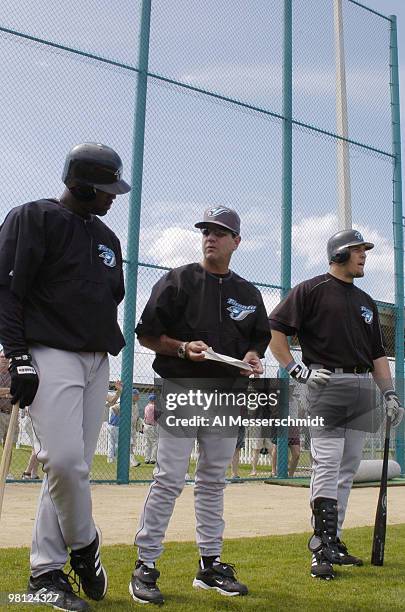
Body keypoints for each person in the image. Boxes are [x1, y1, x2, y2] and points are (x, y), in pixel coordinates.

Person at [0, 142, 130, 610]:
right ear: (81, 184)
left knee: (67, 471)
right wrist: (17, 357)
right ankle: (86, 546)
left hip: (97, 358)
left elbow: (107, 299)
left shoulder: (108, 239)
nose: (113, 196)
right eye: (106, 188)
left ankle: (45, 575)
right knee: (64, 462)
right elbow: (8, 293)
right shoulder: (31, 217)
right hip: (50, 351)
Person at [130, 206, 270, 604]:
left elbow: (255, 340)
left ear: (237, 242)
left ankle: (210, 566)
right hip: (181, 387)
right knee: (170, 478)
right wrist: (180, 347)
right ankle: (146, 564)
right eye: (207, 230)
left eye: (221, 232)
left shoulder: (248, 292)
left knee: (212, 481)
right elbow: (148, 335)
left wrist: (253, 356)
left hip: (226, 395)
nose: (211, 237)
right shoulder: (178, 280)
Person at [268, 229, 404, 580]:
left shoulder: (366, 301)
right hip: (325, 383)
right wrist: (296, 369)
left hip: (362, 386)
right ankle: (320, 545)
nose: (364, 257)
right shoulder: (311, 290)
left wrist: (388, 392)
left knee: (348, 468)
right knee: (327, 465)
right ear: (340, 254)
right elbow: (275, 330)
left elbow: (376, 354)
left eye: (364, 251)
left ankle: (335, 540)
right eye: (358, 251)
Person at [0, 350, 18, 478]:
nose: (4, 360)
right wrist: (9, 392)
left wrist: (5, 392)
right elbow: (13, 392)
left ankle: (6, 472)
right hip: (0, 413)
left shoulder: (13, 375)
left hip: (12, 414)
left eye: (6, 357)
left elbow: (18, 392)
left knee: (9, 445)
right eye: (1, 357)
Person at [143, 393, 158, 464]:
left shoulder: (146, 407)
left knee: (147, 443)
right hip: (152, 426)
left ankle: (146, 459)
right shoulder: (155, 407)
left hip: (146, 425)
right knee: (155, 442)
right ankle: (153, 459)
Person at [131, 388, 142, 467]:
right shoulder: (128, 403)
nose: (138, 397)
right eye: (137, 395)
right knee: (129, 445)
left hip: (133, 427)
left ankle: (132, 461)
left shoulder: (136, 404)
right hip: (127, 427)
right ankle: (133, 461)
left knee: (132, 444)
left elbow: (137, 417)